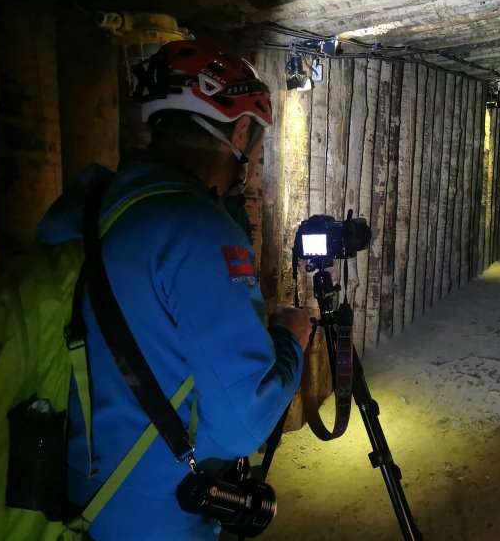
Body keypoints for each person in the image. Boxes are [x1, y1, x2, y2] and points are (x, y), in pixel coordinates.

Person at [36, 39, 311, 539]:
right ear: (240, 131)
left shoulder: (91, 209)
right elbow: (243, 424)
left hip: (81, 499)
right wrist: (292, 340)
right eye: (254, 140)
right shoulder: (198, 231)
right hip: (160, 514)